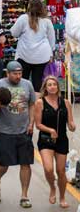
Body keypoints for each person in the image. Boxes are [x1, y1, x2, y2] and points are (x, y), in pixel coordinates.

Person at [0, 61, 36, 209]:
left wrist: (31, 124)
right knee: (4, 164)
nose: (18, 76)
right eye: (15, 74)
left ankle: (24, 195)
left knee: (26, 163)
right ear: (7, 73)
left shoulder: (27, 84)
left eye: (20, 73)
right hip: (5, 131)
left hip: (24, 131)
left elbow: (32, 104)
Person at [35, 76, 76, 209]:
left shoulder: (65, 102)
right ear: (45, 88)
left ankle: (62, 197)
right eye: (49, 85)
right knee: (48, 168)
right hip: (46, 139)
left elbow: (70, 122)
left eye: (54, 84)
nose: (52, 87)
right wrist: (50, 130)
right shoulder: (40, 102)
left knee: (61, 171)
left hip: (61, 140)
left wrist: (72, 126)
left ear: (58, 87)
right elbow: (38, 124)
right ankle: (52, 187)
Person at [10, 0, 55, 93]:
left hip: (24, 55)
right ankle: (37, 104)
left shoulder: (23, 19)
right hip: (42, 56)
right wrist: (51, 54)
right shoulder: (47, 21)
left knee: (22, 80)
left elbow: (14, 33)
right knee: (38, 82)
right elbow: (51, 39)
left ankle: (23, 103)